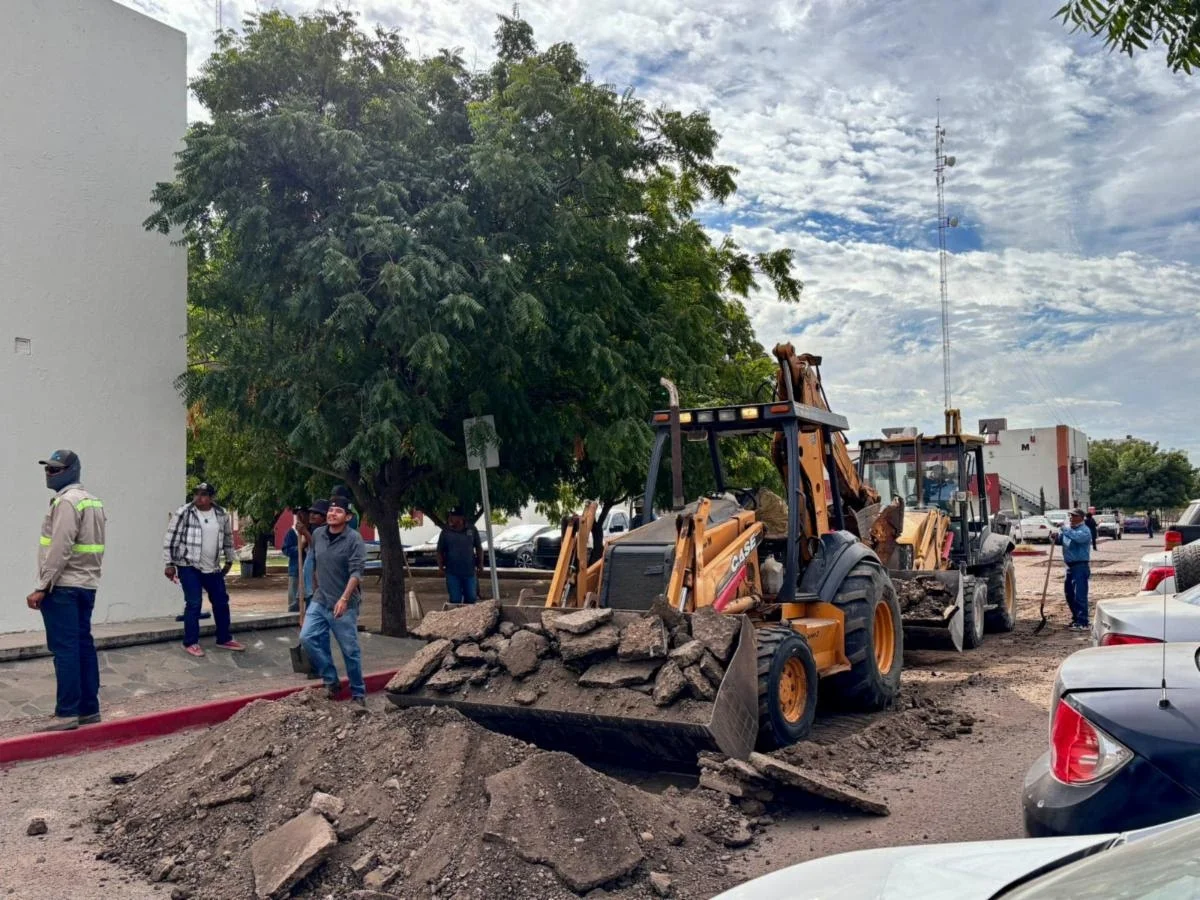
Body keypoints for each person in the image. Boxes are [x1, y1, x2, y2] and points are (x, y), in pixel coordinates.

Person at [27, 450, 107, 731]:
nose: (49, 474)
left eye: (55, 469)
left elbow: (60, 548)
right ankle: (89, 709)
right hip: (86, 586)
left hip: (63, 588)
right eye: (48, 469)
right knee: (83, 645)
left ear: (72, 470)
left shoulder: (66, 503)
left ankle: (67, 713)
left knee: (66, 650)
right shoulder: (92, 501)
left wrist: (42, 586)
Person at [163, 483, 244, 657]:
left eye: (203, 494)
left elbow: (228, 540)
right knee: (194, 603)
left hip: (212, 567)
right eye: (196, 493)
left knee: (221, 601)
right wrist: (169, 564)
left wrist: (229, 561)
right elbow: (171, 538)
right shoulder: (184, 512)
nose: (198, 497)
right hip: (188, 565)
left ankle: (224, 638)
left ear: (212, 497)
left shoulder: (221, 514)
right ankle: (191, 642)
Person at [300, 495, 367, 706]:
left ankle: (358, 694)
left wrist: (344, 599)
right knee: (307, 637)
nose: (332, 514)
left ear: (347, 517)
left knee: (350, 650)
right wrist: (312, 589)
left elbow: (356, 572)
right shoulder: (318, 534)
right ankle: (331, 680)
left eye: (338, 512)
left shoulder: (354, 539)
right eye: (330, 510)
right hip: (320, 599)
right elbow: (314, 560)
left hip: (344, 603)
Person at [437, 506, 482, 605]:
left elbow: (478, 548)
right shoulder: (445, 532)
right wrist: (440, 567)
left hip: (469, 571)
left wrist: (480, 564)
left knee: (471, 598)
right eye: (450, 516)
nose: (451, 519)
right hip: (452, 572)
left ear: (461, 518)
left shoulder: (472, 529)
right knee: (455, 600)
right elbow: (440, 551)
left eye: (453, 516)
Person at [1059, 508, 1092, 632]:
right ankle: (1076, 618)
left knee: (1080, 595)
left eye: (1074, 516)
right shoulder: (1070, 530)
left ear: (1081, 518)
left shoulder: (1084, 531)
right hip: (1070, 567)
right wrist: (1056, 537)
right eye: (1070, 516)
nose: (1071, 518)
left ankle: (1083, 622)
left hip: (1080, 566)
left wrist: (1064, 529)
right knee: (1069, 594)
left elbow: (1076, 538)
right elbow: (1062, 540)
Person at [281, 510, 303, 613]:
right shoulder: (292, 532)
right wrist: (299, 547)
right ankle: (293, 614)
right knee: (294, 597)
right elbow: (286, 549)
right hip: (295, 568)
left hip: (310, 569)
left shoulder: (312, 531)